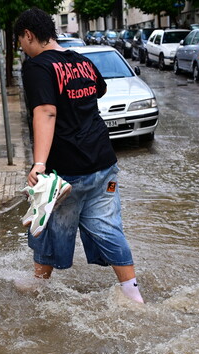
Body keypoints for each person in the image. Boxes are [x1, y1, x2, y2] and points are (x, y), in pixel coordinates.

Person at [14, 8, 144, 304]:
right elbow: (99, 90)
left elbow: (46, 111)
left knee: (44, 220)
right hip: (104, 164)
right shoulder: (83, 61)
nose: (22, 47)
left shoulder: (37, 67)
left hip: (68, 169)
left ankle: (39, 284)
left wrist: (39, 164)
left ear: (29, 35)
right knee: (109, 227)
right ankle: (132, 294)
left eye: (20, 40)